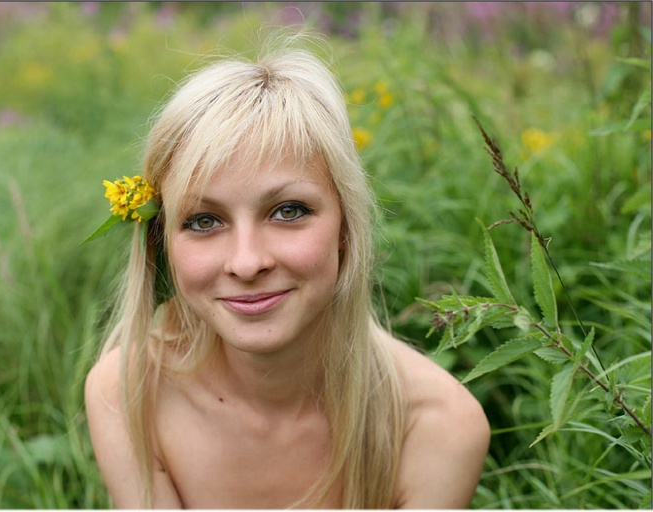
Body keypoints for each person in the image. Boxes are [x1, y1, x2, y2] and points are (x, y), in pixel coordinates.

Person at [85, 37, 490, 509]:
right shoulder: (129, 395)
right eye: (203, 221)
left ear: (346, 226)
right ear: (163, 243)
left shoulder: (437, 427)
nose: (246, 262)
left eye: (288, 211)